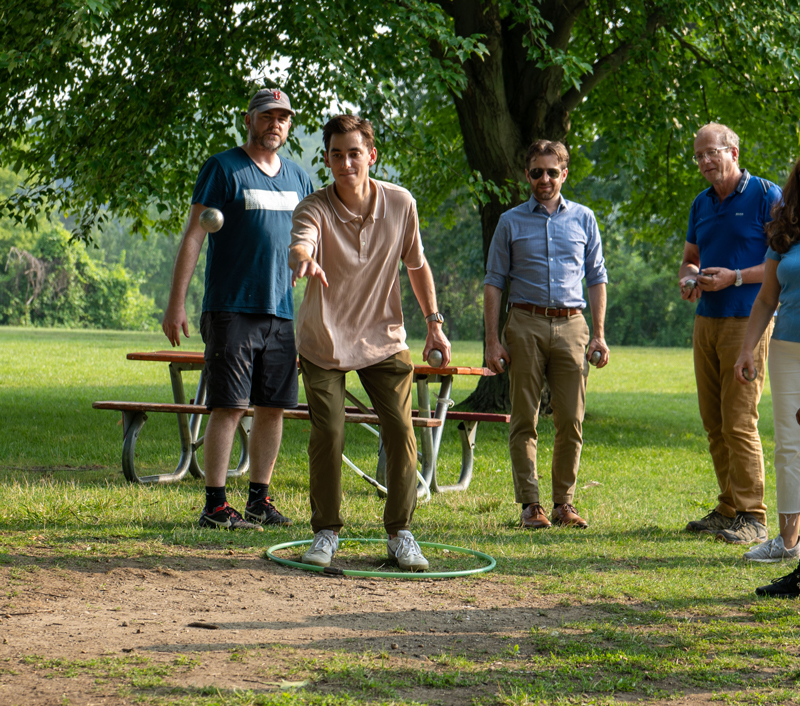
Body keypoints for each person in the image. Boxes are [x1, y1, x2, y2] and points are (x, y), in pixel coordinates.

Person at [288, 114, 450, 571]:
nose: (345, 163)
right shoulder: (313, 207)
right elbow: (301, 243)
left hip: (383, 339)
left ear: (371, 155)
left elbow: (417, 266)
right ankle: (326, 532)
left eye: (354, 153)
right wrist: (303, 260)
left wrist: (434, 323)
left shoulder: (400, 203)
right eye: (336, 155)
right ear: (326, 160)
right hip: (324, 341)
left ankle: (401, 534)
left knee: (401, 430)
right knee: (330, 432)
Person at [162, 88, 313, 531]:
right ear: (248, 119)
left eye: (283, 118)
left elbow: (312, 240)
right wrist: (177, 304)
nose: (275, 124)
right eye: (267, 116)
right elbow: (194, 234)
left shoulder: (300, 179)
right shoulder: (223, 168)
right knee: (229, 406)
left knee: (273, 408)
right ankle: (214, 505)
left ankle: (258, 501)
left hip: (281, 312)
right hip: (231, 308)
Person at [484, 139, 609, 531]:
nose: (544, 179)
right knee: (524, 417)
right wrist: (492, 340)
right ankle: (530, 505)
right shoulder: (510, 222)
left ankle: (564, 504)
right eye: (537, 172)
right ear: (527, 174)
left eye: (552, 172)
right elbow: (493, 283)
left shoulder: (585, 219)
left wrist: (599, 335)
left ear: (564, 174)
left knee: (571, 419)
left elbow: (597, 277)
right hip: (524, 323)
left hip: (573, 325)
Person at [679, 123, 780, 545]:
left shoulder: (767, 195)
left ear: (733, 152)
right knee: (714, 422)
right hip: (707, 319)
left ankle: (753, 516)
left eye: (711, 153)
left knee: (739, 420)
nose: (704, 162)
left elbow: (782, 263)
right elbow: (690, 257)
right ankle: (728, 508)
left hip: (748, 321)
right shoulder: (701, 204)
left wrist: (736, 277)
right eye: (698, 156)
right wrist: (689, 278)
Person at [733, 158, 800, 592]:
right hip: (787, 350)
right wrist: (747, 349)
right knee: (789, 445)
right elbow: (765, 299)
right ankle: (789, 541)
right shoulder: (786, 230)